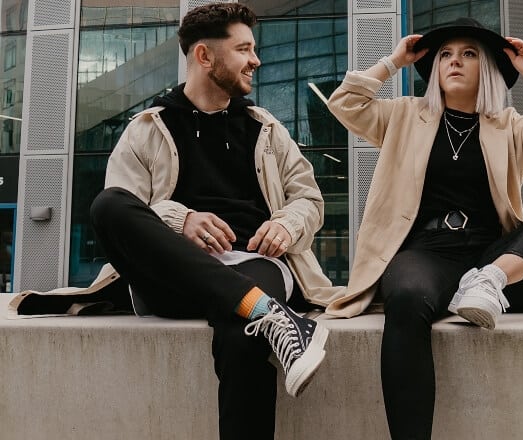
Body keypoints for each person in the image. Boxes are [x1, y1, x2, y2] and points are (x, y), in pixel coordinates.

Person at [325, 17, 523, 439]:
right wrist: (393, 61)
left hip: (496, 258)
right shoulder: (403, 116)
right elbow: (344, 103)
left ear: (487, 69)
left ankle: (490, 281)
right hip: (427, 252)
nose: (455, 62)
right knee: (405, 300)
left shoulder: (509, 125)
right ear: (435, 68)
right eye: (446, 55)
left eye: (468, 54)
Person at [77, 3, 334, 439]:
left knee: (243, 335)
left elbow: (309, 197)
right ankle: (270, 313)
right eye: (244, 49)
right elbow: (129, 207)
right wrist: (180, 219)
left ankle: (260, 310)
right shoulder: (147, 127)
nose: (256, 60)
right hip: (172, 275)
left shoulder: (265, 128)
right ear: (204, 56)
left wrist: (288, 224)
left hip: (255, 262)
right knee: (108, 204)